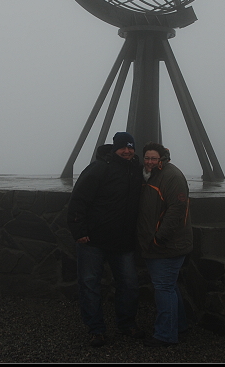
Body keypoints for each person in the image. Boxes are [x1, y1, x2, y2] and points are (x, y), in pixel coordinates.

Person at [67, 131, 145, 347]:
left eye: (130, 147)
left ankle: (127, 324)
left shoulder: (136, 171)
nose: (127, 151)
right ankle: (96, 330)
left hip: (123, 241)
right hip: (93, 240)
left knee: (129, 285)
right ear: (114, 148)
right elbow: (78, 199)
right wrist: (79, 231)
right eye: (123, 147)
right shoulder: (99, 168)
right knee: (90, 284)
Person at [137, 142, 192, 347]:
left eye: (154, 158)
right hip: (158, 243)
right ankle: (179, 325)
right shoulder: (152, 175)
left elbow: (177, 210)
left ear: (162, 159)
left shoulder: (172, 176)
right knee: (170, 286)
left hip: (167, 245)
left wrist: (159, 238)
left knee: (164, 288)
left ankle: (165, 335)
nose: (150, 162)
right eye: (147, 158)